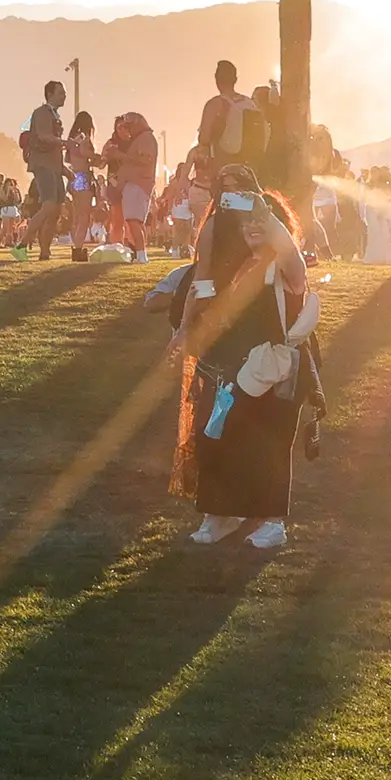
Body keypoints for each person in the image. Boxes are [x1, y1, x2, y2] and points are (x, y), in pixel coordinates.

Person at [162, 183, 318, 550]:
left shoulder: (286, 268)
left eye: (262, 222)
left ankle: (272, 520)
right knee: (215, 435)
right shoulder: (233, 267)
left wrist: (264, 213)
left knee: (270, 444)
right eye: (246, 222)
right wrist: (184, 332)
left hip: (276, 371)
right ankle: (220, 514)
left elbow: (292, 255)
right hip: (230, 366)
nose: (252, 227)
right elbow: (200, 292)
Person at [20, 80, 70, 259]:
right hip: (43, 165)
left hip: (55, 167)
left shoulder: (54, 115)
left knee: (55, 210)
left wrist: (65, 171)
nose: (65, 96)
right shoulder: (41, 113)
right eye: (61, 92)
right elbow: (43, 136)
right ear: (50, 94)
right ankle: (22, 244)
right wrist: (65, 142)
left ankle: (45, 251)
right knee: (49, 205)